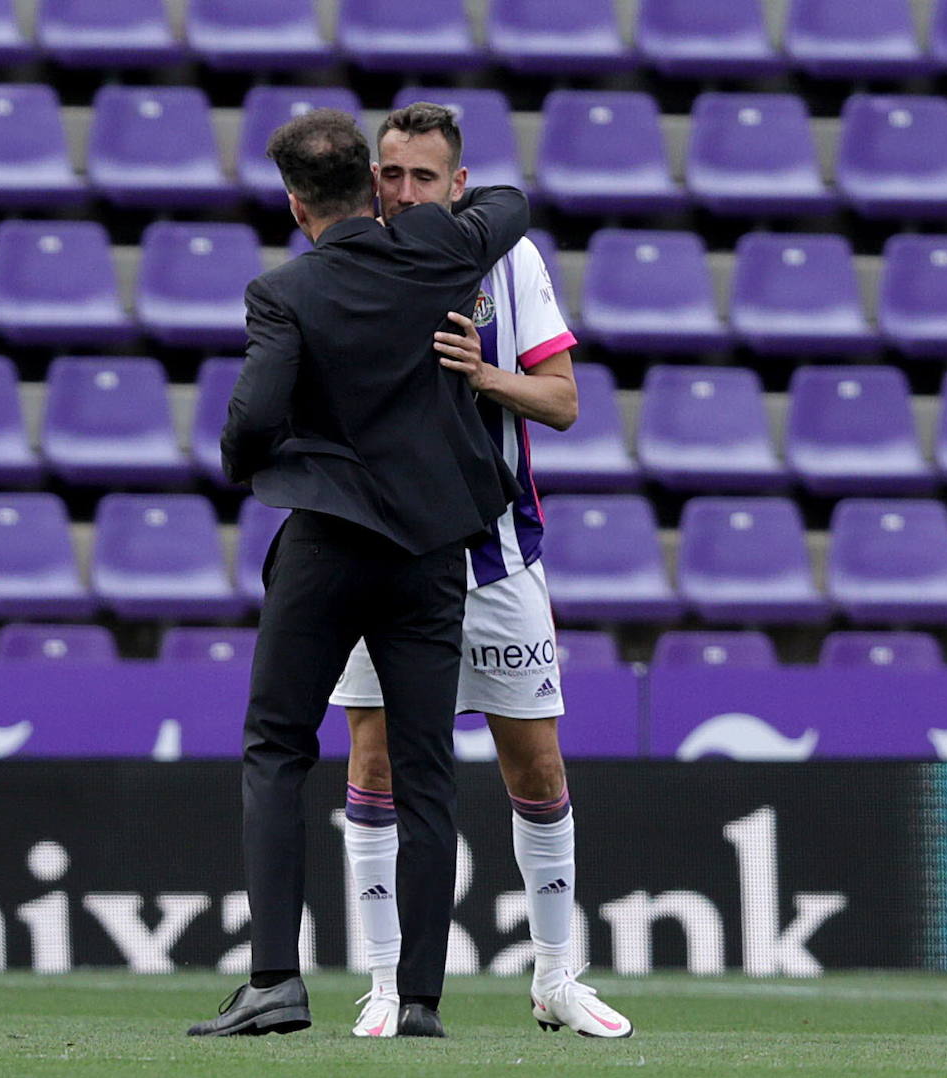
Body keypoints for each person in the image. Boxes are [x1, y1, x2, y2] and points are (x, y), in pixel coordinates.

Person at [188, 109, 529, 1039]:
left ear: (297, 202)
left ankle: (275, 982)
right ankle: (418, 999)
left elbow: (251, 421)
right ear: (374, 187)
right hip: (429, 556)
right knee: (423, 768)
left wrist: (256, 458)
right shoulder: (439, 253)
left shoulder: (284, 292)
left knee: (277, 750)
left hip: (330, 544)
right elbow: (511, 201)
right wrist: (421, 216)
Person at [330, 103, 634, 1040]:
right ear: (372, 179)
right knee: (373, 762)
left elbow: (565, 401)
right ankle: (384, 981)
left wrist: (483, 375)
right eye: (393, 175)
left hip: (497, 559)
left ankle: (554, 975)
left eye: (426, 177)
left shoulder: (512, 264)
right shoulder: (350, 263)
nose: (407, 191)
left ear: (459, 188)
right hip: (380, 558)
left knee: (535, 767)